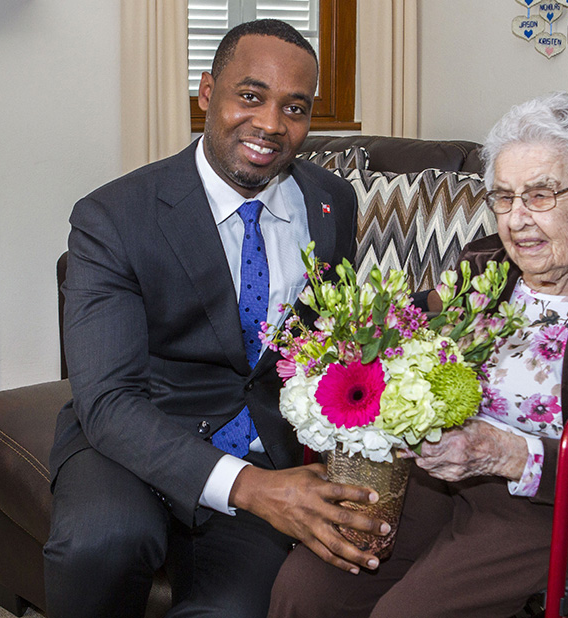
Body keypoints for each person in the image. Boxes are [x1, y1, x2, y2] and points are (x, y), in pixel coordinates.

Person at [268, 93, 568, 618]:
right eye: (503, 196)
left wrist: (507, 453)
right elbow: (416, 320)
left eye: (540, 196)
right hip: (446, 473)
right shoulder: (486, 263)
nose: (516, 220)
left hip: (564, 501)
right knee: (306, 586)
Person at [43, 19, 388, 618]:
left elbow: (328, 346)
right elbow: (109, 400)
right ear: (207, 93)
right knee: (100, 542)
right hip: (133, 435)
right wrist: (252, 489)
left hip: (264, 445)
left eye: (296, 108)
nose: (272, 125)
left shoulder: (330, 202)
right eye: (250, 96)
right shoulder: (113, 216)